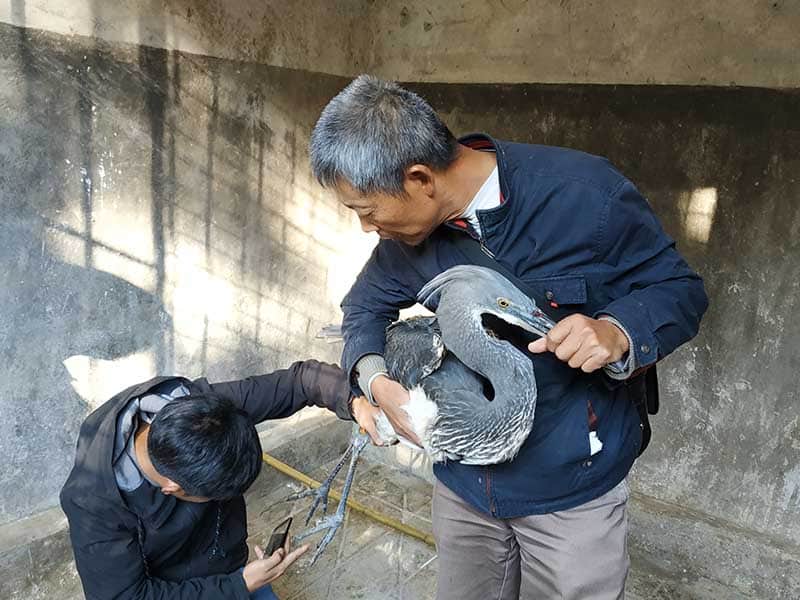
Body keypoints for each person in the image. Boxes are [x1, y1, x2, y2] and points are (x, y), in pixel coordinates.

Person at [310, 75, 708, 599]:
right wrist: (375, 379)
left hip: (570, 485)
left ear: (419, 179)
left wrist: (617, 331)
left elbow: (679, 289)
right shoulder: (408, 238)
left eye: (366, 211)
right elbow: (363, 307)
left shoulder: (586, 196)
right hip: (464, 482)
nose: (367, 228)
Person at [60, 360, 359, 599]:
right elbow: (126, 596)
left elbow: (301, 381)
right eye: (214, 497)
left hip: (225, 567)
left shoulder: (204, 413)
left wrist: (357, 401)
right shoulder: (94, 503)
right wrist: (238, 586)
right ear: (171, 488)